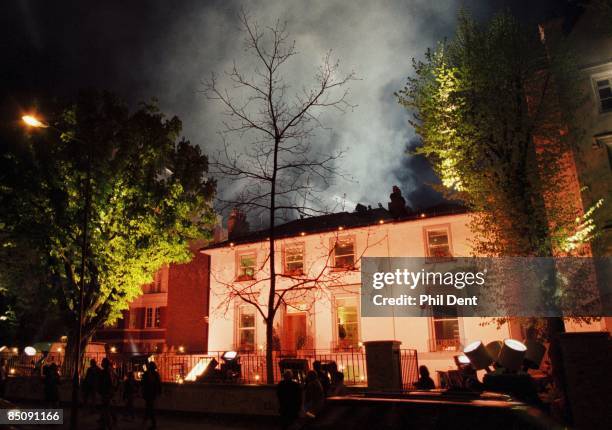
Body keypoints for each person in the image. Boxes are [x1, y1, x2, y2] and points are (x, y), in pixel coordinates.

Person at [98, 358, 117, 429]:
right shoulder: (111, 371)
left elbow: (107, 382)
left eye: (103, 362)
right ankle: (106, 421)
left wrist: (102, 390)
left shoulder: (105, 372)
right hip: (109, 392)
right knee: (107, 406)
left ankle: (108, 424)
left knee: (106, 408)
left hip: (106, 392)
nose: (101, 363)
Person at [141, 361, 162, 430]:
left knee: (149, 407)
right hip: (151, 393)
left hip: (149, 393)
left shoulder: (147, 374)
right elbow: (158, 384)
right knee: (149, 407)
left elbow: (143, 384)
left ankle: (151, 423)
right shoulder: (155, 374)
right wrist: (159, 392)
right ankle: (149, 422)